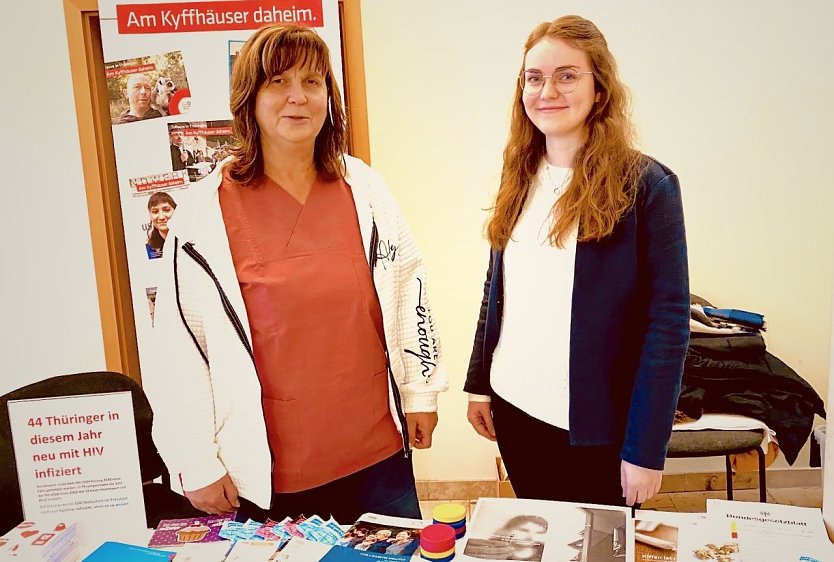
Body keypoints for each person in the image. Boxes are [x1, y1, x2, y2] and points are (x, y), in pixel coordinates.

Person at [144, 24, 446, 525]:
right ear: (249, 98)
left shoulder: (363, 188)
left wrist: (419, 391)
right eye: (278, 82)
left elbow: (410, 288)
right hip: (267, 472)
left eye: (313, 82)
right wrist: (193, 459)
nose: (297, 98)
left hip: (378, 455)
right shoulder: (202, 215)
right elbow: (178, 349)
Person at [465, 15, 689, 508]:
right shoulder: (519, 176)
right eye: (534, 77)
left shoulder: (647, 186)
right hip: (515, 408)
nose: (547, 90)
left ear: (599, 87)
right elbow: (497, 289)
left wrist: (646, 450)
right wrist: (480, 382)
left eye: (567, 75)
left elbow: (668, 325)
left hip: (596, 428)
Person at [145, 191, 177, 259]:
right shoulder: (150, 248)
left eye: (167, 210)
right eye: (155, 212)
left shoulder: (188, 239)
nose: (161, 217)